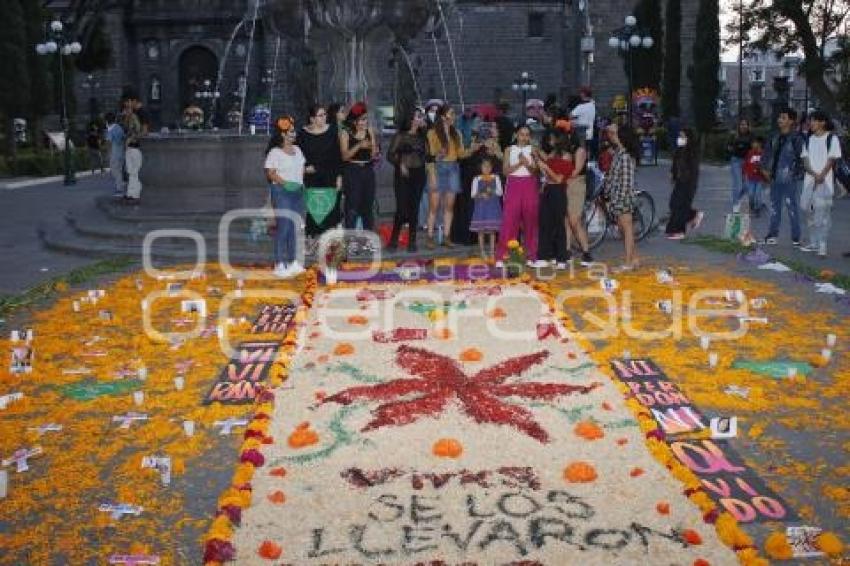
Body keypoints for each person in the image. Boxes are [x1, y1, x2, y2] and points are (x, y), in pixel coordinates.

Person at [426, 104, 476, 248]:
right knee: (434, 206)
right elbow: (430, 156)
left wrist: (472, 149)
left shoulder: (457, 133)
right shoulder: (432, 133)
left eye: (454, 114)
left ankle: (447, 237)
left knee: (449, 206)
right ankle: (430, 236)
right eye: (451, 113)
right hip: (437, 168)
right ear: (443, 116)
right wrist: (438, 156)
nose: (454, 116)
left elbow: (460, 154)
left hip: (453, 168)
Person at [265, 116, 307, 278]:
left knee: (294, 227)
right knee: (284, 227)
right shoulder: (275, 152)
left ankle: (293, 262)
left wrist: (300, 183)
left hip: (297, 191)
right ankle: (279, 263)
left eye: (293, 131)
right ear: (282, 134)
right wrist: (285, 183)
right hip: (282, 191)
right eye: (290, 132)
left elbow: (301, 167)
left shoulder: (298, 150)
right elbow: (270, 173)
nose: (293, 134)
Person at [800, 109, 842, 257]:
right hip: (809, 182)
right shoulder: (808, 139)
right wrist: (814, 174)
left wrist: (822, 175)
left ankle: (822, 244)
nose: (810, 123)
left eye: (813, 120)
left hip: (825, 183)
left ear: (822, 122)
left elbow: (832, 159)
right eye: (810, 120)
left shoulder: (832, 138)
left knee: (823, 214)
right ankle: (813, 242)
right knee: (809, 213)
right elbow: (805, 160)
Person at [297, 104, 343, 239]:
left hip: (330, 176)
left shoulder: (333, 131)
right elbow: (297, 156)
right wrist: (305, 168)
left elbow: (338, 156)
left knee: (332, 210)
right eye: (320, 115)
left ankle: (332, 243)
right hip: (313, 178)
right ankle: (314, 240)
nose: (324, 118)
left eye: (325, 115)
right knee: (314, 210)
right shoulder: (303, 134)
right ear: (312, 119)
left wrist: (339, 177)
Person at [496, 124, 539, 266]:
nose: (524, 137)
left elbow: (535, 172)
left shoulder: (533, 149)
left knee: (530, 221)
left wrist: (527, 164)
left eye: (527, 135)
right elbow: (505, 171)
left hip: (529, 185)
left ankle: (530, 255)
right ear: (516, 134)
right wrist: (519, 163)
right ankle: (503, 255)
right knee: (509, 220)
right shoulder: (509, 149)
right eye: (522, 134)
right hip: (513, 185)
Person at [387, 107, 429, 252]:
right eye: (418, 116)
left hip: (419, 173)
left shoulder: (423, 136)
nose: (421, 119)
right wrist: (400, 164)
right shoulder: (401, 135)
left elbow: (427, 155)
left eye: (421, 117)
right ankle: (393, 240)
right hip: (403, 174)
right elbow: (390, 155)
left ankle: (412, 241)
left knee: (414, 208)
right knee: (401, 208)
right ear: (411, 119)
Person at [761, 108, 805, 246]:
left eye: (784, 117)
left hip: (789, 179)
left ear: (791, 121)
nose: (780, 120)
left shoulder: (797, 139)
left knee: (792, 207)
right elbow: (766, 155)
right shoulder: (774, 137)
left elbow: (802, 159)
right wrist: (764, 169)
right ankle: (772, 234)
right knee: (774, 207)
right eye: (779, 117)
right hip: (773, 178)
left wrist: (794, 174)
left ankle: (796, 236)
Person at [600, 123, 640, 270]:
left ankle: (629, 261)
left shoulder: (625, 156)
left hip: (623, 198)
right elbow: (613, 176)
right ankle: (634, 258)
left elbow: (626, 182)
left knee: (626, 229)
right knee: (623, 230)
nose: (611, 136)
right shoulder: (619, 153)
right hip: (618, 196)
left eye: (614, 133)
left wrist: (616, 199)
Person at [533, 133, 573, 268]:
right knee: (544, 223)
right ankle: (544, 256)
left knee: (558, 225)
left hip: (558, 191)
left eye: (552, 138)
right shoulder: (552, 154)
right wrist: (537, 155)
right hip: (548, 190)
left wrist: (545, 167)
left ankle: (561, 258)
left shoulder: (567, 156)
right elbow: (546, 165)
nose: (550, 140)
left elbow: (558, 178)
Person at [339, 102, 378, 231]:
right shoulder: (346, 133)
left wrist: (374, 149)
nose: (364, 122)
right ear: (354, 121)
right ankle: (350, 241)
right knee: (352, 207)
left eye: (366, 119)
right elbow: (344, 156)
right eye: (361, 120)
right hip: (352, 171)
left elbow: (373, 155)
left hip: (367, 170)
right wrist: (359, 146)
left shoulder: (369, 131)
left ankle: (368, 239)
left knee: (368, 206)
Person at [665, 128, 704, 239]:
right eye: (680, 136)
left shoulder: (692, 152)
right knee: (673, 203)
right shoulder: (679, 150)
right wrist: (673, 174)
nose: (680, 139)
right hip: (679, 181)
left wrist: (689, 180)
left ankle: (679, 231)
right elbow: (675, 164)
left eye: (683, 137)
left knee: (681, 206)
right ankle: (693, 215)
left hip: (688, 182)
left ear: (688, 138)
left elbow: (693, 169)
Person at [562, 129, 594, 265]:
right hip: (566, 184)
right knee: (567, 219)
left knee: (574, 220)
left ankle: (586, 252)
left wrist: (560, 176)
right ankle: (567, 251)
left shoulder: (580, 151)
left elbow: (576, 171)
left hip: (577, 185)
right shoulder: (566, 151)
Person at [469, 157, 503, 260]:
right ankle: (482, 251)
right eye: (484, 166)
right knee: (481, 231)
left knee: (492, 231)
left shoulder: (495, 177)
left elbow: (500, 192)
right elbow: (473, 194)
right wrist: (481, 194)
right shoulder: (477, 179)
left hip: (493, 207)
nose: (487, 168)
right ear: (480, 167)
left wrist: (492, 191)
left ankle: (492, 251)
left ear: (491, 167)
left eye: (489, 166)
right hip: (481, 207)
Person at [727, 119, 753, 210]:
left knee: (747, 186)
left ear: (748, 126)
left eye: (745, 124)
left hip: (747, 162)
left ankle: (737, 197)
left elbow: (755, 148)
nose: (743, 126)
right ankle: (735, 205)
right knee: (738, 184)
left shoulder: (751, 136)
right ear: (739, 126)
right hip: (736, 161)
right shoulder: (734, 135)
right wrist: (733, 149)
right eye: (741, 124)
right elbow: (729, 146)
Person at [742, 136, 767, 217]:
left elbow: (766, 165)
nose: (753, 144)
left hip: (760, 178)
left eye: (755, 143)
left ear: (759, 144)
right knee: (751, 194)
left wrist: (766, 177)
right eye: (752, 143)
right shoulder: (750, 153)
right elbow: (745, 164)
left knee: (757, 195)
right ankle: (752, 205)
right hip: (751, 178)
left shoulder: (763, 154)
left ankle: (757, 209)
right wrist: (744, 174)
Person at [570, 86, 597, 156]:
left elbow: (570, 115)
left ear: (583, 94)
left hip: (581, 134)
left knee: (581, 152)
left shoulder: (580, 107)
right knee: (588, 152)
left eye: (581, 93)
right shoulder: (592, 104)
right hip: (590, 133)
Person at [105, 112, 126, 198]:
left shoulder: (110, 129)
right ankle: (121, 184)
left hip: (114, 152)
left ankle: (119, 188)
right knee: (119, 169)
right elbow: (123, 138)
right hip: (121, 151)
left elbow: (109, 142)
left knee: (115, 170)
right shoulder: (119, 128)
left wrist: (107, 153)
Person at [124, 137, 143, 205]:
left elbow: (129, 163)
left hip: (132, 170)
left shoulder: (129, 152)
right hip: (135, 169)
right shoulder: (138, 152)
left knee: (132, 181)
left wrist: (129, 170)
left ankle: (132, 196)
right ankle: (135, 195)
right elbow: (139, 163)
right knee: (135, 181)